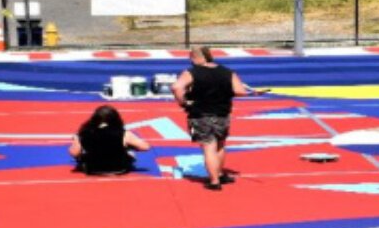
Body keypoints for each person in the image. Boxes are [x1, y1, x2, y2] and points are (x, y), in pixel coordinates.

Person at [171, 46, 266, 191]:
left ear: (197, 57)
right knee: (220, 144)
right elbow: (239, 91)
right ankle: (220, 174)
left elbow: (176, 87)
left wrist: (183, 102)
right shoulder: (227, 72)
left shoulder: (192, 72)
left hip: (200, 113)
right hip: (222, 113)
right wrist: (253, 93)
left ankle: (214, 181)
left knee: (208, 146)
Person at [69, 105, 151, 175]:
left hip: (93, 169)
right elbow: (145, 147)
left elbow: (74, 153)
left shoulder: (85, 133)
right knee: (130, 152)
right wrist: (130, 147)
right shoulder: (124, 134)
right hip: (119, 168)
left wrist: (76, 139)